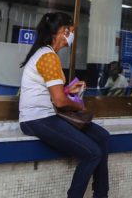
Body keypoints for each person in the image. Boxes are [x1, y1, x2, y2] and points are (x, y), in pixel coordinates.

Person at [18, 12, 110, 198]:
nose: (72, 35)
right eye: (70, 30)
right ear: (60, 32)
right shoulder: (48, 56)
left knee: (103, 137)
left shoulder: (49, 55)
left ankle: (101, 194)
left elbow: (53, 93)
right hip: (36, 119)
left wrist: (68, 90)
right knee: (92, 153)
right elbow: (59, 101)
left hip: (46, 116)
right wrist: (79, 107)